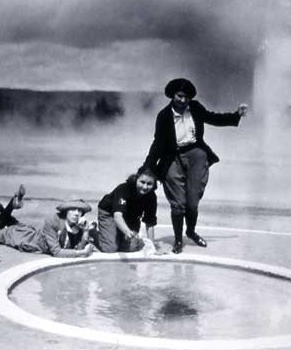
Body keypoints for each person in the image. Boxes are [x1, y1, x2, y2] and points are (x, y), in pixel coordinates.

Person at [142, 78, 248, 254]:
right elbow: (158, 143)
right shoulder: (163, 116)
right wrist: (147, 167)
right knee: (178, 204)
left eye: (187, 97)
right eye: (180, 96)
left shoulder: (196, 108)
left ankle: (190, 231)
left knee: (192, 203)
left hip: (196, 155)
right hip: (172, 157)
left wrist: (236, 115)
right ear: (172, 95)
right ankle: (178, 240)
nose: (183, 100)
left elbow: (213, 118)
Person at [0, 185, 98, 258]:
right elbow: (57, 252)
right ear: (66, 211)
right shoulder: (52, 221)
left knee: (13, 223)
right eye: (73, 209)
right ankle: (7, 205)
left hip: (31, 232)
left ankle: (0, 205)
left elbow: (77, 247)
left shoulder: (78, 225)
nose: (77, 213)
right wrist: (82, 253)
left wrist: (86, 231)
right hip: (28, 240)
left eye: (80, 211)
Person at [97, 166, 158, 252]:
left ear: (154, 184)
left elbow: (150, 222)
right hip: (109, 213)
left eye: (149, 184)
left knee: (131, 247)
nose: (145, 187)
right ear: (136, 178)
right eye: (142, 182)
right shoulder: (124, 189)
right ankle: (93, 232)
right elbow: (117, 216)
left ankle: (116, 233)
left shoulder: (151, 197)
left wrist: (152, 246)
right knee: (110, 248)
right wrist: (126, 231)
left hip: (131, 217)